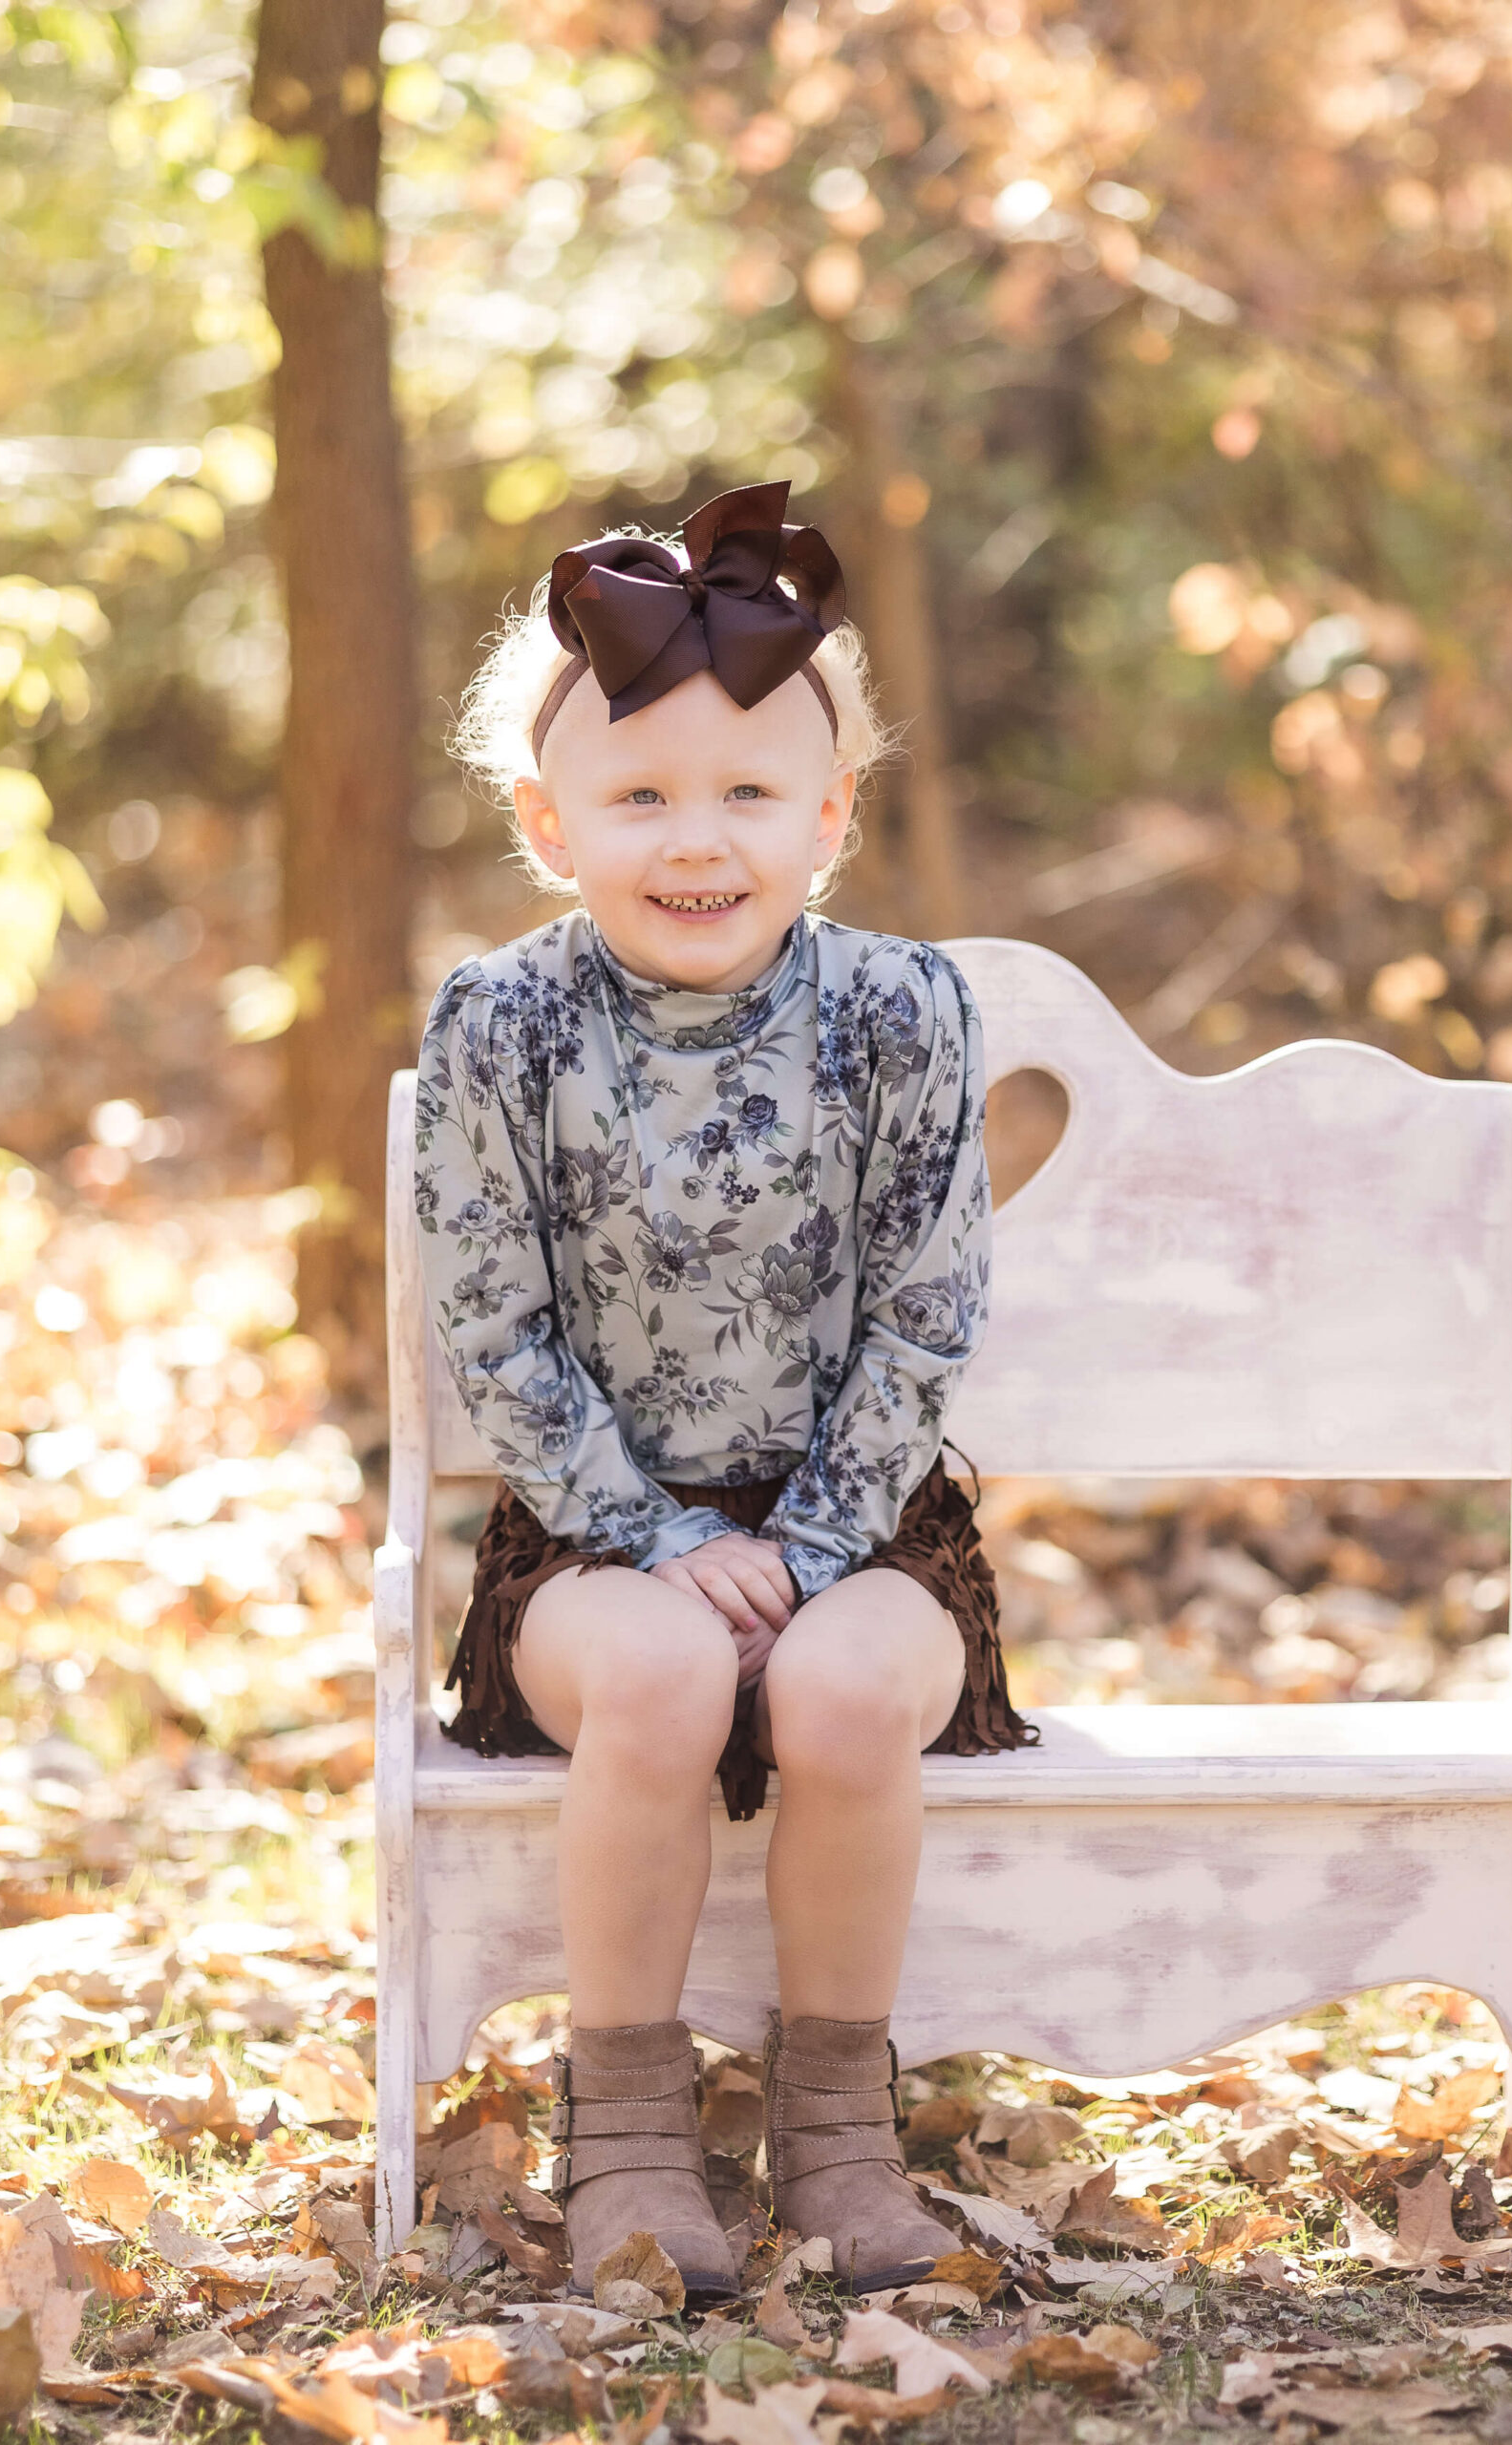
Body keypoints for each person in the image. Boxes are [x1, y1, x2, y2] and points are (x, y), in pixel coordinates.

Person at [415, 480, 1034, 2307]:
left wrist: (824, 1538)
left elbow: (929, 1307)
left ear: (831, 815)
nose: (701, 841)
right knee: (673, 1665)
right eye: (640, 797)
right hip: (590, 1547)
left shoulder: (904, 1012)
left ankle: (838, 2127)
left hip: (871, 1531)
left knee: (847, 1690)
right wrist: (653, 1535)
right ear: (550, 824)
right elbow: (494, 1324)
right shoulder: (500, 1026)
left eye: (752, 793)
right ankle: (629, 2128)